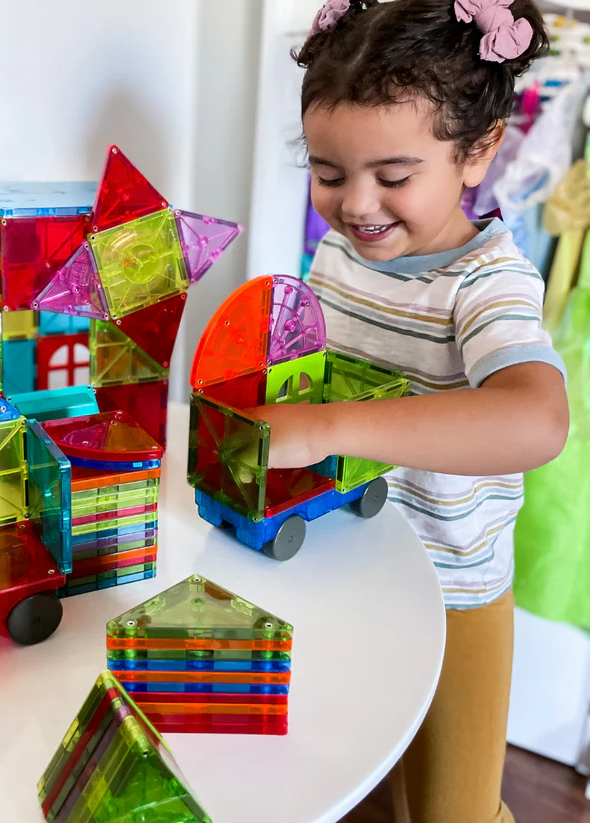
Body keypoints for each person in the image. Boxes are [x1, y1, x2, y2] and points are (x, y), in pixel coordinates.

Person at [252, 1, 569, 821]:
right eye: (327, 173)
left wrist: (327, 428)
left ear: (479, 151)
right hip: (350, 568)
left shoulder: (485, 283)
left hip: (454, 591)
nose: (357, 205)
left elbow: (535, 421)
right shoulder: (336, 253)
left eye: (392, 177)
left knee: (449, 810)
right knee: (347, 776)